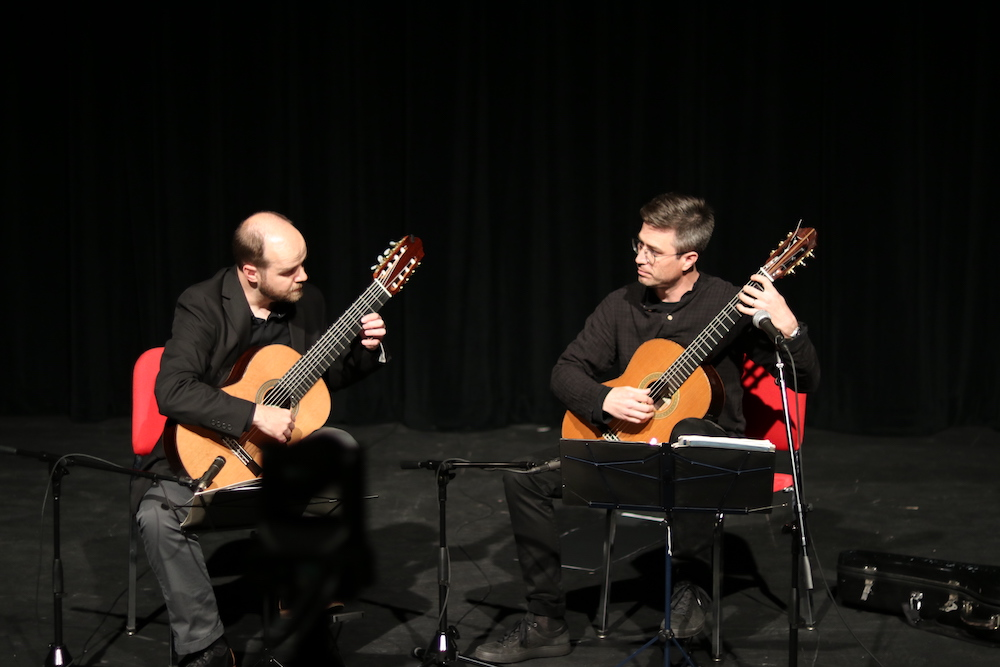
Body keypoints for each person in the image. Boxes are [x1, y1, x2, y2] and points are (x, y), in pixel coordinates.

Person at [473, 193, 820, 663]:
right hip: (630, 454)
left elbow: (806, 380)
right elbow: (565, 371)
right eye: (638, 245)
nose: (639, 257)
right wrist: (604, 397)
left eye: (653, 251)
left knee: (690, 433)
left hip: (706, 463)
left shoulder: (731, 304)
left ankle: (690, 586)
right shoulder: (620, 305)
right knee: (523, 481)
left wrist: (788, 326)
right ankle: (546, 623)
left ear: (689, 259)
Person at [133, 211, 388, 667]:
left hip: (278, 465)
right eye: (290, 270)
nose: (303, 276)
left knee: (342, 448)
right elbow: (171, 390)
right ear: (250, 272)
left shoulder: (305, 302)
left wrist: (365, 353)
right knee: (156, 516)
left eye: (304, 264)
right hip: (210, 454)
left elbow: (320, 377)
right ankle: (205, 647)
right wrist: (253, 414)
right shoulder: (202, 304)